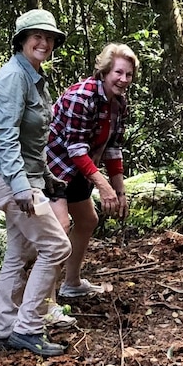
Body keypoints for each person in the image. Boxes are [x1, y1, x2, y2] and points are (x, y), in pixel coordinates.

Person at [0, 9, 74, 357]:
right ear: (21, 40)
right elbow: (4, 138)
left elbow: (33, 138)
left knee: (18, 253)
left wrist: (46, 178)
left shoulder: (33, 77)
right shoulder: (11, 79)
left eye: (49, 37)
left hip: (23, 176)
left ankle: (6, 329)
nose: (44, 42)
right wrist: (22, 187)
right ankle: (28, 327)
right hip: (7, 178)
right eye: (37, 36)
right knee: (56, 247)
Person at [47, 44, 137, 298]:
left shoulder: (119, 103)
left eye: (128, 75)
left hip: (81, 169)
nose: (123, 79)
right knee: (60, 228)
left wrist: (119, 190)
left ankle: (71, 283)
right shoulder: (82, 96)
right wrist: (103, 185)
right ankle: (46, 301)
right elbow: (74, 149)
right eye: (118, 73)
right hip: (53, 168)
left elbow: (113, 148)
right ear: (105, 72)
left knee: (88, 220)